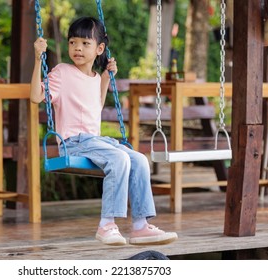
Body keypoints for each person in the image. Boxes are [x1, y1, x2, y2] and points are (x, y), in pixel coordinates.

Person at [31, 16, 178, 246]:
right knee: (119, 158)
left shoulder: (96, 77)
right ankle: (106, 224)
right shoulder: (61, 72)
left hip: (95, 141)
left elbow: (96, 107)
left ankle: (140, 226)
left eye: (85, 43)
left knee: (139, 160)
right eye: (72, 42)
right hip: (73, 141)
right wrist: (38, 59)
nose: (77, 47)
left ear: (100, 48)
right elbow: (36, 96)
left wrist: (107, 78)